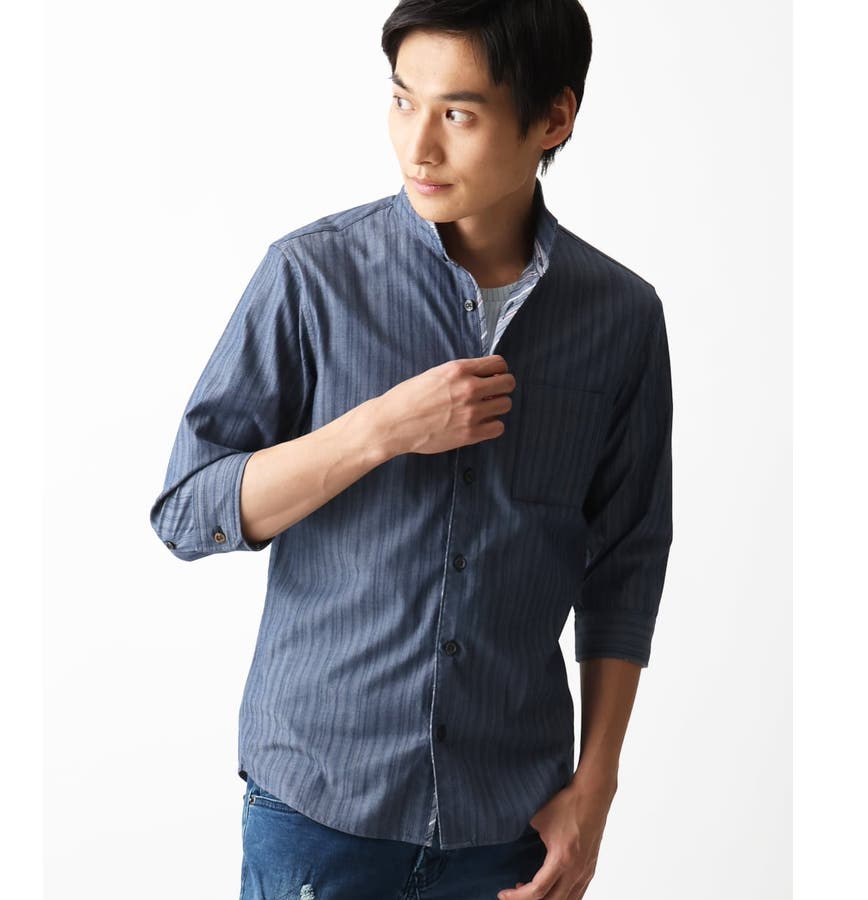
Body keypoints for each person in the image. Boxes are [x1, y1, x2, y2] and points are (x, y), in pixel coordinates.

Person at [149, 1, 673, 897]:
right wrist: (377, 431)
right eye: (402, 101)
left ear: (553, 118)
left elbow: (626, 564)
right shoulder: (311, 276)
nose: (417, 147)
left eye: (457, 114)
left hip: (509, 826)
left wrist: (597, 788)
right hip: (318, 814)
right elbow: (188, 510)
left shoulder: (619, 317)